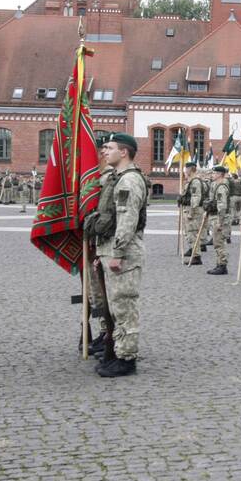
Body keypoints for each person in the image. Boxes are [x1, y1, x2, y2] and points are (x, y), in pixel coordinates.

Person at [86, 133, 148, 378]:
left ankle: (126, 358)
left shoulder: (129, 181)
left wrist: (118, 253)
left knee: (124, 307)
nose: (103, 151)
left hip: (123, 253)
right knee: (113, 307)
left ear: (124, 152)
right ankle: (116, 352)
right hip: (109, 248)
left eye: (108, 147)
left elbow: (127, 219)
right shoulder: (116, 178)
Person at [206, 165, 231, 275]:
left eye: (214, 173)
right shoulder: (216, 185)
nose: (212, 175)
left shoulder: (221, 187)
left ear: (220, 174)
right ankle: (219, 263)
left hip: (219, 218)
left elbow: (222, 206)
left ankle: (222, 265)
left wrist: (220, 222)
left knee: (219, 242)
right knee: (217, 241)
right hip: (214, 215)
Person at [181, 161, 206, 265]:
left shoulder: (195, 181)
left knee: (193, 233)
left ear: (190, 169)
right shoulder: (191, 180)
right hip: (189, 208)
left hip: (194, 211)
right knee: (190, 233)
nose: (185, 171)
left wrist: (191, 212)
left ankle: (196, 256)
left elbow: (196, 197)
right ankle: (194, 252)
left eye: (186, 169)